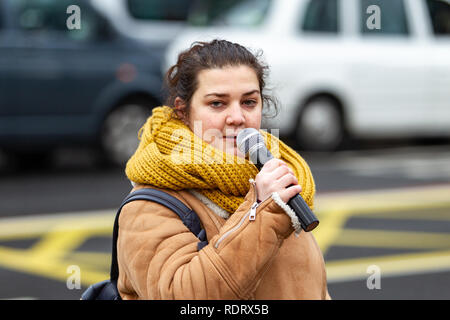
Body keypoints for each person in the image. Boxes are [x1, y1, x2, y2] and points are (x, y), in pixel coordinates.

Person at [118, 39, 331, 299]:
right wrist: (261, 209)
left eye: (249, 102)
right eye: (217, 103)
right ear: (183, 112)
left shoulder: (277, 180)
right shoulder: (148, 205)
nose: (237, 117)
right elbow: (184, 296)